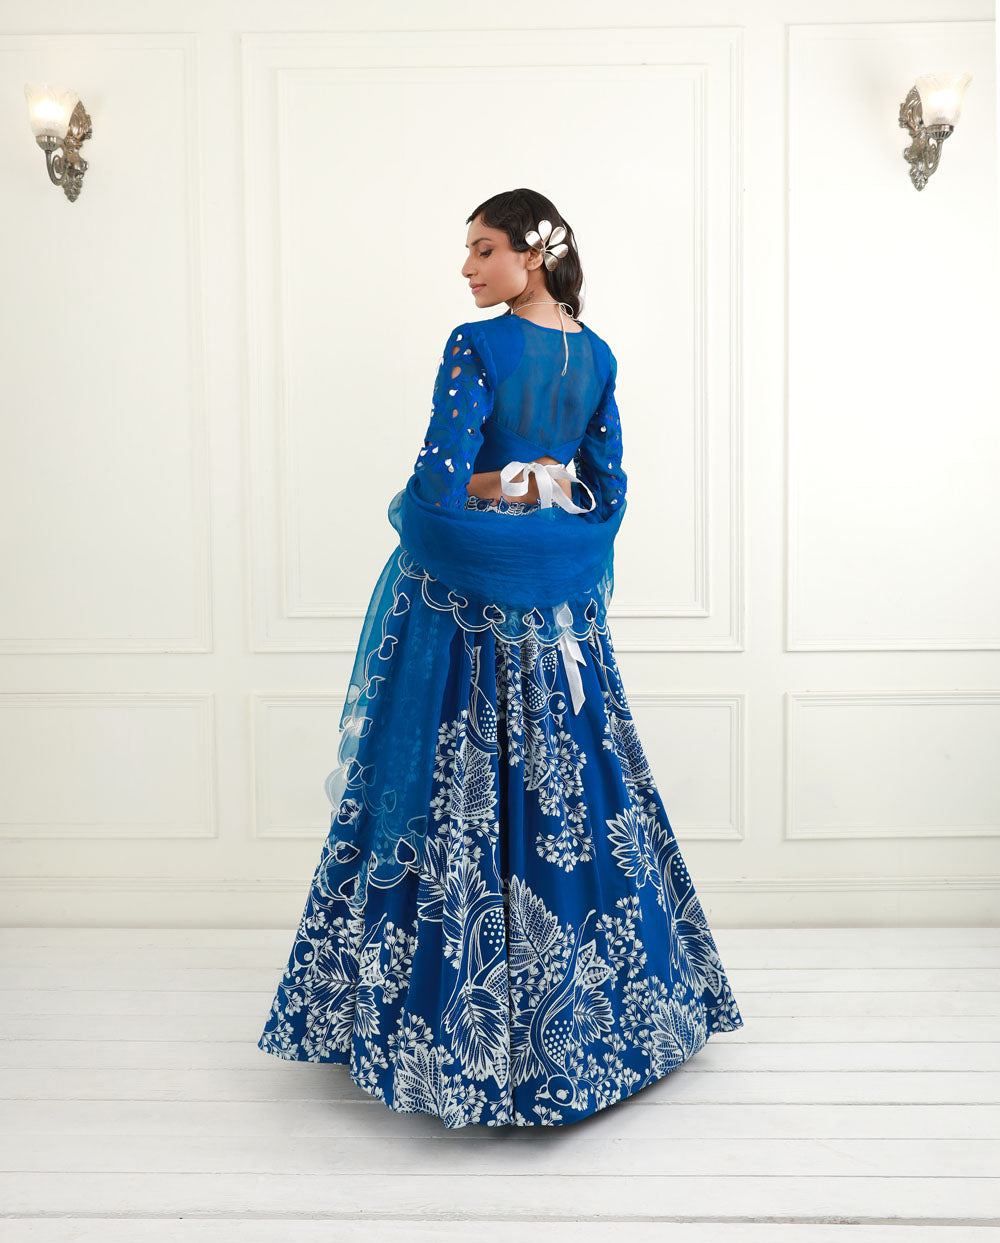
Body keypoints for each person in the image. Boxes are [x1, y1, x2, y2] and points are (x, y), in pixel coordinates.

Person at [257, 188, 744, 1128]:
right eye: (469, 251)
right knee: (579, 785)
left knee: (447, 784)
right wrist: (549, 499)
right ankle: (611, 1022)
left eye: (484, 249)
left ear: (534, 253)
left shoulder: (474, 345)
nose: (468, 268)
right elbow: (609, 493)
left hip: (469, 608)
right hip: (562, 611)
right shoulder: (596, 356)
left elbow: (436, 487)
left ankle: (431, 1030)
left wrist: (504, 487)